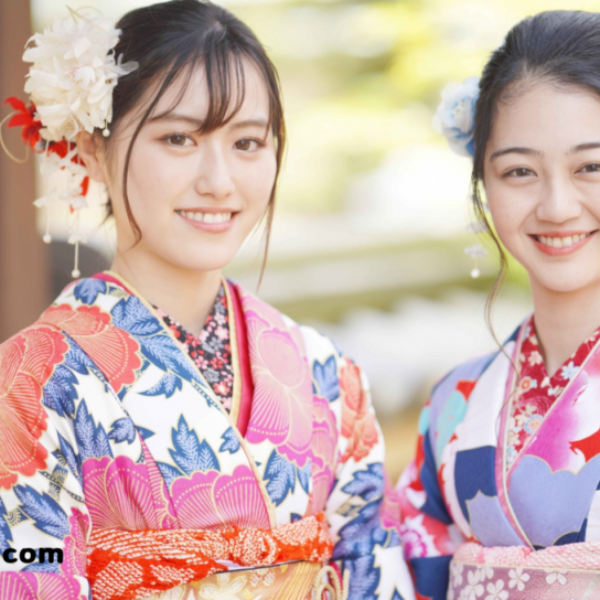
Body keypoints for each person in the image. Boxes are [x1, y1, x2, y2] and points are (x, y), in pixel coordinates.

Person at [0, 2, 415, 599]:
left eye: (248, 143)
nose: (219, 180)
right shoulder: (34, 378)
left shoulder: (327, 373)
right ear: (93, 149)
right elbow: (24, 563)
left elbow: (371, 565)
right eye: (178, 138)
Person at [397, 10, 600, 600]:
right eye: (520, 171)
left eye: (592, 166)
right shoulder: (454, 405)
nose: (557, 206)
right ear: (483, 185)